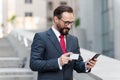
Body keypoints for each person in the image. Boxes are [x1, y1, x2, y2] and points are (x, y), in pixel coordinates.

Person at [30, 5, 97, 80]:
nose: (69, 26)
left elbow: (76, 63)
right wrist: (58, 62)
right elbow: (34, 64)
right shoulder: (41, 37)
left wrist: (86, 65)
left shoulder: (73, 40)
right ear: (56, 19)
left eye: (71, 23)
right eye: (66, 22)